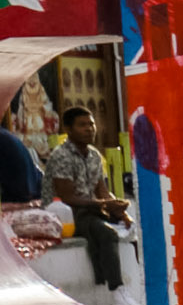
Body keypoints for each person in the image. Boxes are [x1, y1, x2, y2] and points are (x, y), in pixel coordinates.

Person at [42, 105, 130, 291]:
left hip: (89, 209)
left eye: (91, 124)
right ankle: (117, 291)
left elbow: (102, 191)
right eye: (82, 125)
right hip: (66, 215)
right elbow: (67, 197)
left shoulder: (94, 156)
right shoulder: (61, 155)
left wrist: (120, 212)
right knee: (106, 233)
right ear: (68, 129)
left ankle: (141, 286)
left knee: (133, 226)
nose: (89, 129)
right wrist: (104, 204)